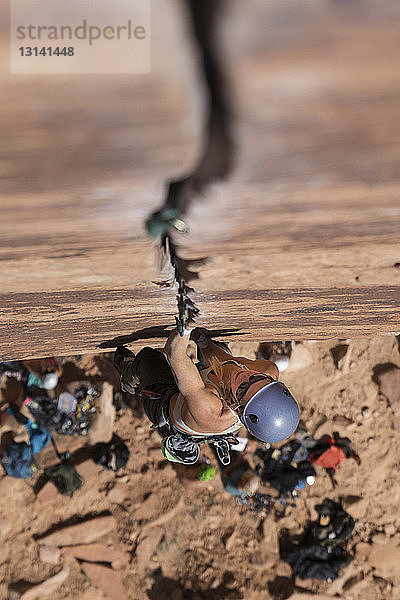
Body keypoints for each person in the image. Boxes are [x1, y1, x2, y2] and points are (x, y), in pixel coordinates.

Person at [114, 327, 299, 464]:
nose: (244, 376)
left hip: (167, 404)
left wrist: (185, 326)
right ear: (271, 381)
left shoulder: (209, 409)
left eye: (243, 388)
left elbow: (175, 354)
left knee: (150, 359)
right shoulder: (267, 370)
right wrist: (204, 342)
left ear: (238, 407)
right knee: (215, 342)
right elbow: (226, 362)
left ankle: (129, 376)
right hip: (208, 393)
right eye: (257, 379)